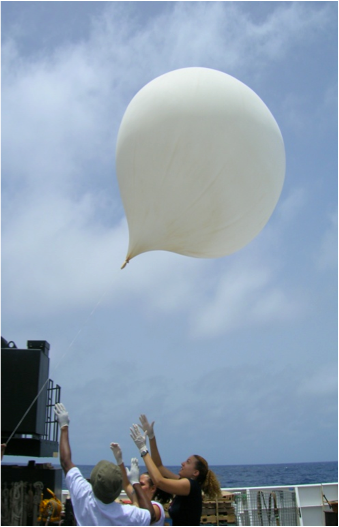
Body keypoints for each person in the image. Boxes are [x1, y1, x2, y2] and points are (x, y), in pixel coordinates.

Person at [54, 403, 156, 526]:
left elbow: (66, 462)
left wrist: (64, 426)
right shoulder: (126, 513)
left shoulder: (84, 494)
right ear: (118, 490)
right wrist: (135, 483)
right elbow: (151, 515)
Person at [130, 415, 222, 526]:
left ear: (195, 473)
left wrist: (143, 450)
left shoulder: (189, 485)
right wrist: (151, 437)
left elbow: (158, 481)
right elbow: (159, 467)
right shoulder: (184, 483)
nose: (182, 463)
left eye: (188, 462)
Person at [111, 442, 166, 526]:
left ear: (153, 488)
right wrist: (120, 461)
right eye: (138, 483)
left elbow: (149, 516)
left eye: (142, 484)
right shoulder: (137, 499)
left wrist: (135, 483)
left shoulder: (156, 506)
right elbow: (126, 484)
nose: (138, 487)